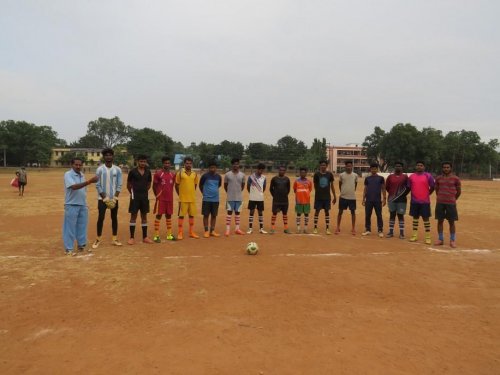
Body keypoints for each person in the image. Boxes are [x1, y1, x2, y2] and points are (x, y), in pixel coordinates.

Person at [63, 158, 99, 256]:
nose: (78, 166)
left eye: (80, 165)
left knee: (82, 226)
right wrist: (89, 181)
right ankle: (69, 249)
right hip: (71, 204)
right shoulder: (68, 174)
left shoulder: (82, 175)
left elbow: (83, 191)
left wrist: (85, 203)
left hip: (82, 204)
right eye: (76, 165)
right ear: (72, 165)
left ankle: (81, 246)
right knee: (70, 228)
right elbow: (74, 187)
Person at [92, 148, 123, 249]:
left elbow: (119, 184)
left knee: (114, 218)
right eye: (106, 155)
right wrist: (104, 197)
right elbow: (97, 184)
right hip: (102, 199)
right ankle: (98, 239)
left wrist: (115, 198)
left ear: (113, 156)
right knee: (101, 218)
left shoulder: (117, 169)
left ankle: (114, 238)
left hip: (114, 199)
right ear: (104, 157)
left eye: (110, 155)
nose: (108, 157)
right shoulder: (100, 169)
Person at [127, 155, 153, 245]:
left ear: (146, 162)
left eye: (144, 161)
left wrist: (143, 191)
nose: (143, 163)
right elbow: (128, 184)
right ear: (137, 161)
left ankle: (145, 237)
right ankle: (131, 237)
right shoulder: (132, 172)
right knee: (133, 217)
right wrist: (133, 193)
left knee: (144, 217)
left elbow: (149, 184)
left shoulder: (148, 172)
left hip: (144, 197)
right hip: (135, 197)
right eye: (141, 161)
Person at [407, 160, 435, 245]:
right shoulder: (411, 176)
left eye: (421, 165)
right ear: (416, 167)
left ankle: (428, 237)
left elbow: (433, 187)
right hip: (414, 201)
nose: (419, 166)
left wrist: (427, 194)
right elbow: (408, 187)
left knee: (426, 219)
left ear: (424, 167)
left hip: (425, 202)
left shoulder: (428, 176)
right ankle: (414, 236)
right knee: (415, 219)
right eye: (418, 165)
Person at [434, 162, 461, 248]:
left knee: (451, 222)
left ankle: (452, 240)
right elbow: (436, 190)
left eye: (447, 167)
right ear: (442, 168)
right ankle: (440, 239)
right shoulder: (438, 178)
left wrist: (453, 198)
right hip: (440, 202)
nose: (446, 169)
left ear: (451, 168)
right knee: (440, 221)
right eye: (444, 167)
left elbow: (459, 191)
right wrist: (441, 197)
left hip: (451, 203)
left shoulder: (456, 178)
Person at [152, 156, 176, 242]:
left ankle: (169, 234)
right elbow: (154, 186)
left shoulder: (173, 174)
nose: (167, 164)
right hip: (161, 198)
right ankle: (156, 235)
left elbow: (172, 186)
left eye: (168, 163)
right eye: (165, 163)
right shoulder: (158, 174)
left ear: (170, 164)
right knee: (159, 215)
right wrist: (157, 195)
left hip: (169, 198)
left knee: (168, 215)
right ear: (163, 164)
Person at [175, 157, 199, 240]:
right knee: (181, 216)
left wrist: (191, 193)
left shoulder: (194, 174)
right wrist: (180, 195)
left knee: (191, 216)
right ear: (184, 164)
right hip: (183, 199)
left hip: (192, 199)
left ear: (192, 164)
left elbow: (195, 185)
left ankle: (191, 232)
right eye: (187, 163)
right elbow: (176, 185)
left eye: (190, 163)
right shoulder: (180, 173)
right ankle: (180, 232)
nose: (188, 165)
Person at [385, 162, 409, 239]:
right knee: (392, 215)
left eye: (399, 166)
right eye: (396, 166)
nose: (398, 167)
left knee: (400, 216)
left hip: (402, 200)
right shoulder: (390, 177)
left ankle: (401, 233)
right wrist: (393, 195)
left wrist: (402, 195)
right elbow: (387, 187)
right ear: (394, 167)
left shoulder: (405, 177)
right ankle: (391, 232)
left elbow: (408, 188)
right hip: (391, 199)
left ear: (402, 167)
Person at [362, 162, 386, 237]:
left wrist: (384, 198)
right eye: (372, 169)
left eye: (375, 169)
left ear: (377, 169)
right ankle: (368, 229)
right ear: (370, 169)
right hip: (368, 200)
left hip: (377, 200)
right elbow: (365, 189)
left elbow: (383, 189)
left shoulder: (381, 178)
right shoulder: (367, 179)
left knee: (379, 215)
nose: (373, 170)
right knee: (367, 215)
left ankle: (380, 230)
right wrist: (363, 199)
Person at [313, 160, 337, 234]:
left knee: (327, 212)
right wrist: (319, 192)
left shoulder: (329, 174)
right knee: (317, 211)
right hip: (319, 197)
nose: (323, 166)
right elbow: (315, 186)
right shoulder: (316, 174)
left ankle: (327, 228)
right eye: (321, 165)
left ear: (326, 166)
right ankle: (315, 228)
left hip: (327, 197)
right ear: (320, 166)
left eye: (324, 165)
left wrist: (334, 196)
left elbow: (332, 186)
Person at [199, 160, 222, 238]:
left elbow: (219, 185)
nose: (213, 169)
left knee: (214, 215)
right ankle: (206, 231)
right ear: (209, 168)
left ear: (216, 168)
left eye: (214, 168)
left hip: (215, 200)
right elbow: (200, 185)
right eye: (211, 168)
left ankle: (212, 231)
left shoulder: (219, 177)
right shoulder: (205, 176)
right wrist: (204, 193)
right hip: (206, 199)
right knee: (206, 215)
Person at [224, 158, 246, 236]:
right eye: (234, 164)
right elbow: (225, 186)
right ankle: (227, 230)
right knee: (229, 213)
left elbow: (243, 186)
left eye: (237, 164)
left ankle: (237, 229)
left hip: (239, 198)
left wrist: (238, 192)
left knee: (237, 213)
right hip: (230, 197)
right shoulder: (227, 174)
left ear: (239, 164)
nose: (235, 165)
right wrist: (230, 192)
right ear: (232, 165)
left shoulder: (242, 175)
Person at [336, 161, 358, 235]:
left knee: (353, 212)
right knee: (340, 212)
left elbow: (355, 185)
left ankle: (353, 228)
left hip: (352, 197)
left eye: (350, 166)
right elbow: (340, 185)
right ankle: (338, 227)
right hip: (343, 197)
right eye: (347, 166)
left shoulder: (355, 175)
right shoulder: (341, 175)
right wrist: (342, 192)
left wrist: (351, 191)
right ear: (345, 166)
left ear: (352, 166)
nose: (349, 167)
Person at [269, 165, 291, 234]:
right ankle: (272, 228)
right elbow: (271, 189)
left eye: (283, 170)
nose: (282, 171)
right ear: (278, 170)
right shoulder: (274, 179)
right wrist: (274, 196)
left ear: (285, 171)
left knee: (285, 214)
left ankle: (286, 228)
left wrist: (284, 195)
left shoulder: (287, 179)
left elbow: (288, 189)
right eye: (280, 170)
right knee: (274, 213)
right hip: (276, 200)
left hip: (284, 200)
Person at [247, 163, 267, 234]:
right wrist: (253, 193)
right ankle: (250, 229)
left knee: (260, 213)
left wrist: (259, 193)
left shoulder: (264, 177)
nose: (261, 171)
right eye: (260, 170)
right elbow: (248, 187)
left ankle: (261, 229)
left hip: (260, 198)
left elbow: (264, 187)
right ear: (257, 169)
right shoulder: (251, 177)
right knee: (251, 212)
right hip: (252, 197)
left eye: (262, 170)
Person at [294, 167, 313, 234]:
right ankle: (298, 229)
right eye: (301, 172)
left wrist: (305, 195)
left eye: (304, 172)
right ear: (299, 173)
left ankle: (305, 229)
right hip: (299, 201)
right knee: (298, 214)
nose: (302, 174)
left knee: (306, 214)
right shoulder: (296, 181)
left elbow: (310, 190)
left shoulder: (309, 182)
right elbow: (294, 190)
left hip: (306, 201)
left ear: (306, 173)